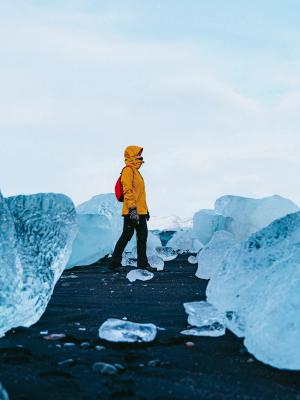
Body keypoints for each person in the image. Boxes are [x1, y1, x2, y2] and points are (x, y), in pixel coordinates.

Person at [109, 145, 155, 272]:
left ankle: (142, 264)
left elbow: (140, 195)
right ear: (132, 156)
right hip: (132, 211)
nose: (141, 157)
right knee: (126, 236)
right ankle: (114, 263)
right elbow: (128, 190)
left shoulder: (137, 172)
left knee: (142, 237)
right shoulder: (128, 170)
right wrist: (133, 210)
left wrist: (146, 211)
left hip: (140, 211)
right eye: (138, 155)